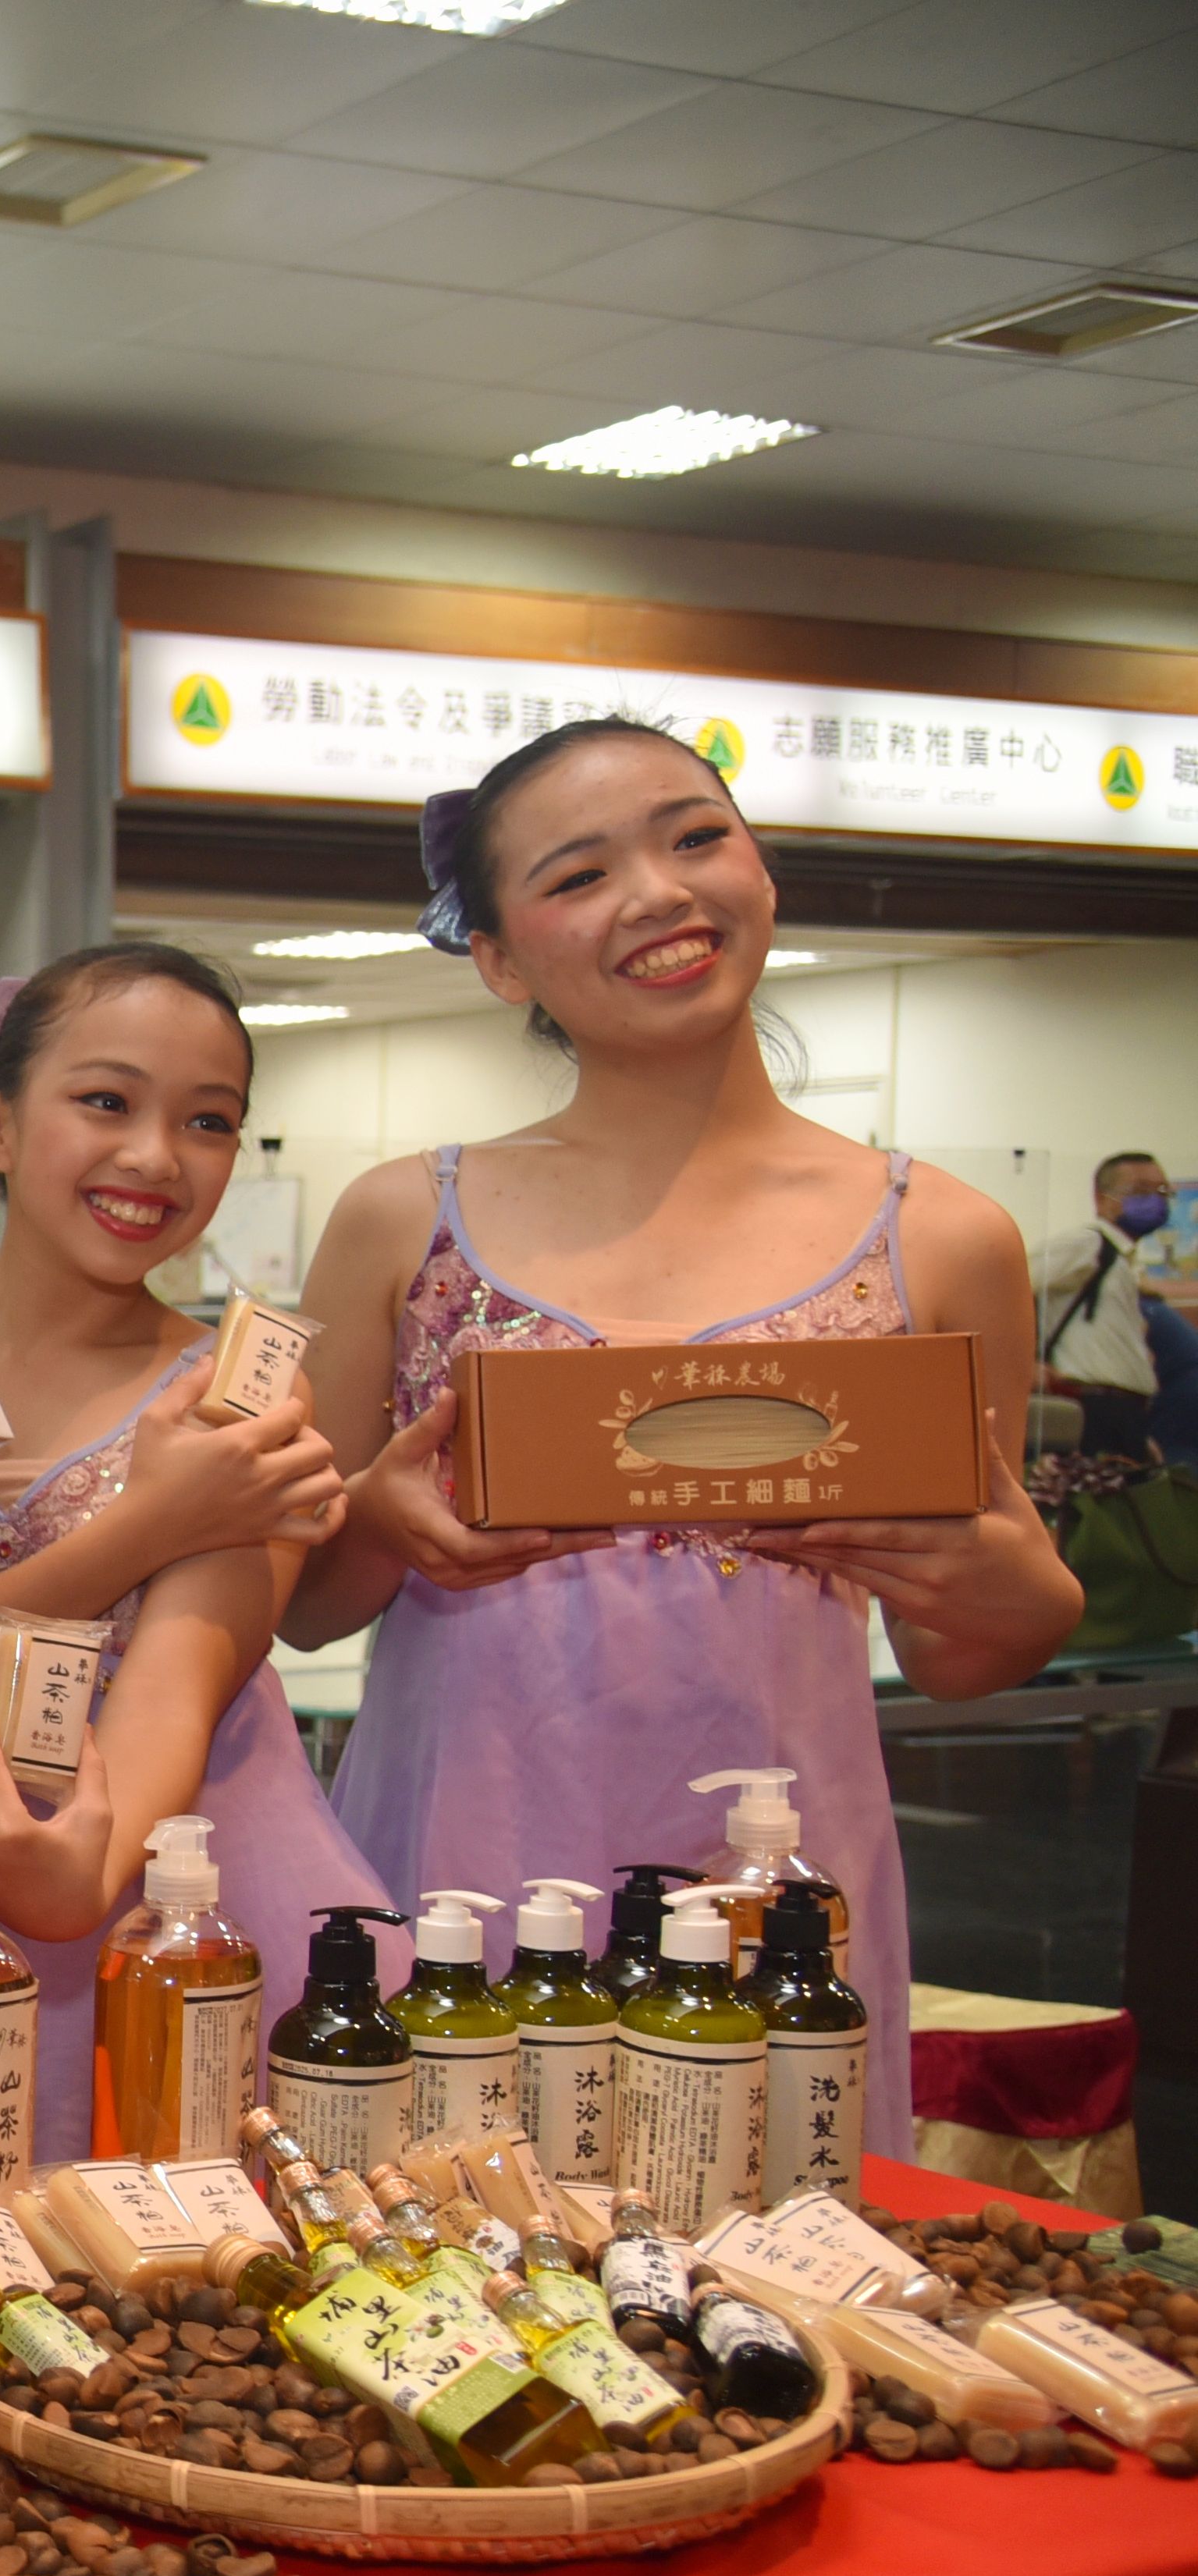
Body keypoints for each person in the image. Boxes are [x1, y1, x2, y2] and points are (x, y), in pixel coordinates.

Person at [287, 715, 1082, 2159]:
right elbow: (297, 1601)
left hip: (779, 1869)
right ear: (501, 958)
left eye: (694, 836)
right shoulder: (402, 1221)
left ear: (759, 872)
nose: (658, 893)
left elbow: (972, 1650)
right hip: (467, 1843)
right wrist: (376, 1526)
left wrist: (1017, 1589)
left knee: (768, 2274)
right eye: (580, 873)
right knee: (455, 2263)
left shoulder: (946, 1239)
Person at [0, 949, 364, 2151]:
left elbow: (178, 1681)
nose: (155, 1158)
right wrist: (151, 1523)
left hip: (178, 1924)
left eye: (209, 1121)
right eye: (107, 1102)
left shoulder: (243, 1390)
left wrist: (91, 1866)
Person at [1030, 1150, 1198, 1463]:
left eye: (1162, 1191)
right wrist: (1023, 1362)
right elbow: (1011, 1286)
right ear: (1102, 1199)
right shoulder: (1086, 1244)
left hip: (1125, 1415)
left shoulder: (1121, 1264)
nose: (1155, 1200)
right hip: (1093, 1409)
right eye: (1140, 1191)